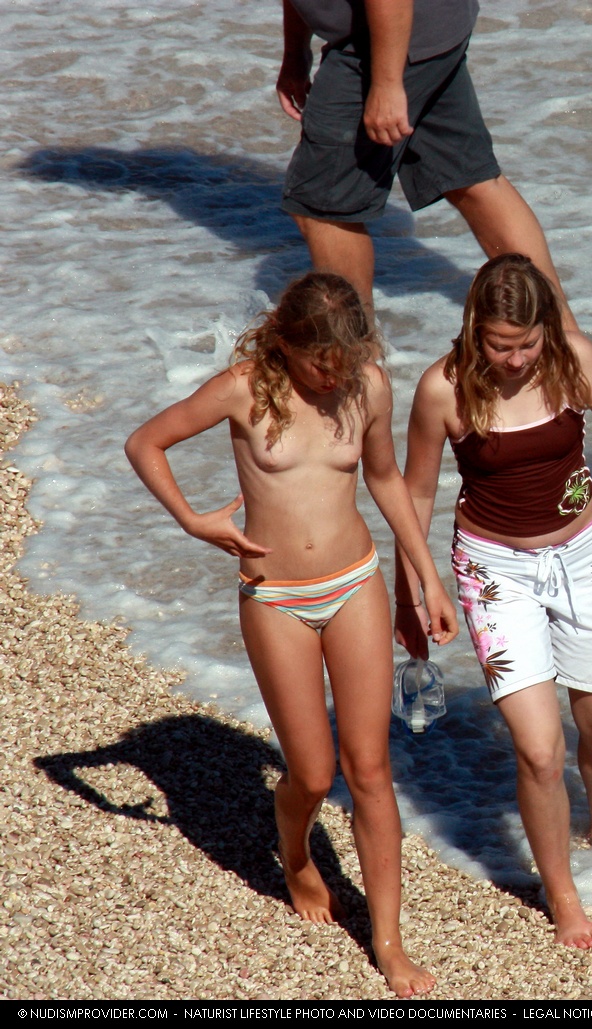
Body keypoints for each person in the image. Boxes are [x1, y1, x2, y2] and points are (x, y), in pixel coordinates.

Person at [124, 272, 460, 995]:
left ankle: (388, 941)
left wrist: (425, 578)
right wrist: (194, 520)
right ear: (285, 340)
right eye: (318, 364)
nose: (331, 378)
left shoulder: (368, 387)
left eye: (343, 363)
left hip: (355, 583)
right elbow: (146, 441)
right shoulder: (243, 388)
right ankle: (296, 851)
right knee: (312, 773)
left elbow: (385, 480)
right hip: (275, 596)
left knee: (369, 767)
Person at [395, 253, 592, 948]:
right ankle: (563, 897)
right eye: (499, 345)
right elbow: (415, 493)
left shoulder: (575, 362)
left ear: (547, 328)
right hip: (494, 569)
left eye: (527, 344)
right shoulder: (443, 389)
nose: (515, 361)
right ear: (474, 328)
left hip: (581, 555)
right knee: (540, 750)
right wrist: (414, 587)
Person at [275, 0, 577, 326]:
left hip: (388, 39)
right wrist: (295, 52)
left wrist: (387, 85)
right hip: (436, 26)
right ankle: (562, 336)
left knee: (324, 209)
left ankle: (355, 351)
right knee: (470, 180)